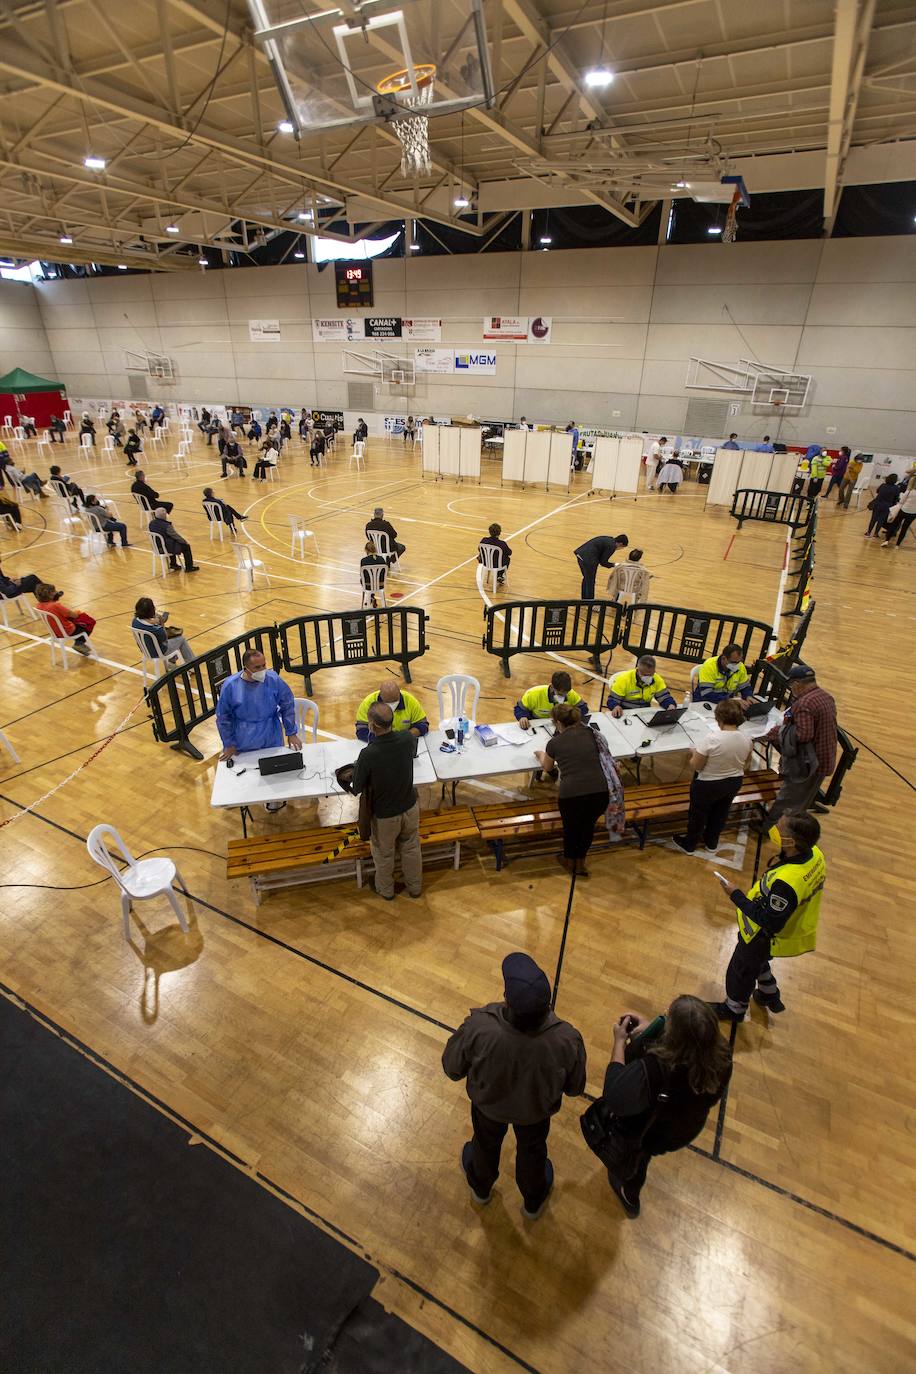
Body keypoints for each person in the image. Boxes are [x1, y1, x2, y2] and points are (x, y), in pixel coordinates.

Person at [442, 952, 586, 1219]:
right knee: (532, 1152)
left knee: (484, 1146)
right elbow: (576, 1087)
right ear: (548, 1004)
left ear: (507, 999)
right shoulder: (568, 1039)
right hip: (535, 1115)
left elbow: (451, 1068)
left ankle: (481, 1189)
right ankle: (533, 1200)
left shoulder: (479, 1027)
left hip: (488, 1111)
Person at [594, 997, 732, 1218]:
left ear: (673, 1037)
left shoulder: (656, 1070)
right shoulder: (723, 1056)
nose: (665, 1018)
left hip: (652, 1133)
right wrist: (650, 1026)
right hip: (685, 1127)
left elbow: (614, 1095)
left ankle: (630, 1195)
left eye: (669, 1018)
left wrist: (619, 1042)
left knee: (636, 1163)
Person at [709, 811, 826, 1022]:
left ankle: (734, 1008)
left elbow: (769, 921)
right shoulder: (815, 854)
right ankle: (768, 992)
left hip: (761, 935)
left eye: (779, 827)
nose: (774, 828)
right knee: (759, 962)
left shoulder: (786, 883)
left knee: (740, 971)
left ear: (790, 842)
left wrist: (736, 895)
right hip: (791, 926)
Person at [349, 700, 422, 900]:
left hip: (385, 816)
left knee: (384, 854)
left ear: (372, 725)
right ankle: (415, 888)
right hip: (410, 806)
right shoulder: (407, 738)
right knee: (411, 847)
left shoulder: (368, 753)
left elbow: (356, 786)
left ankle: (386, 889)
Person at [216, 649, 300, 810]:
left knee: (273, 767)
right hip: (243, 734)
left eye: (264, 665)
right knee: (246, 770)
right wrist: (229, 743)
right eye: (257, 667)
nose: (262, 670)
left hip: (270, 731)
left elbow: (287, 704)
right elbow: (223, 717)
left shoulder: (273, 679)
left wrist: (291, 732)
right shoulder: (231, 686)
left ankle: (273, 797)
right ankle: (242, 797)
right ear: (246, 668)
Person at [534, 703, 611, 876]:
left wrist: (539, 754)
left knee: (571, 829)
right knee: (587, 828)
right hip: (600, 792)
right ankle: (581, 863)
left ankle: (569, 861)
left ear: (558, 723)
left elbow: (547, 767)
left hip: (572, 795)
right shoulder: (593, 734)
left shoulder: (554, 742)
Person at [673, 699, 752, 854]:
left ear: (719, 719)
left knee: (698, 815)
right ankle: (711, 842)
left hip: (708, 784)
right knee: (721, 813)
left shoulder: (711, 739)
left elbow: (696, 766)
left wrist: (694, 753)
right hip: (734, 781)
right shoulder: (747, 738)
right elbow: (746, 763)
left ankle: (690, 845)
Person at [764, 663, 836, 823]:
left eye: (791, 685)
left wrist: (777, 731)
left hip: (809, 763)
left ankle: (772, 827)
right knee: (803, 797)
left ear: (797, 683)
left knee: (789, 799)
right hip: (824, 758)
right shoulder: (825, 696)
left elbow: (803, 734)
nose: (791, 689)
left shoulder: (804, 703)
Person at [355, 679, 428, 742]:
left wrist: (403, 737)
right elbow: (361, 730)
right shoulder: (368, 703)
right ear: (381, 697)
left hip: (403, 743)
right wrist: (384, 741)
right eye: (388, 702)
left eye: (395, 702)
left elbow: (423, 724)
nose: (392, 706)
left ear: (399, 695)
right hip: (379, 745)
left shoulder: (410, 701)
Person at [34, 582, 96, 655]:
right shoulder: (55, 605)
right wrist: (78, 613)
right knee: (89, 621)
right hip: (67, 631)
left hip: (54, 632)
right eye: (54, 591)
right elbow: (73, 615)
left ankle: (79, 644)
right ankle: (79, 643)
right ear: (50, 595)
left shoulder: (38, 606)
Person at [131, 596, 195, 664]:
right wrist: (161, 622)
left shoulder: (135, 621)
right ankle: (192, 665)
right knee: (181, 639)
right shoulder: (156, 629)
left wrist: (153, 621)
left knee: (173, 640)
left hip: (145, 650)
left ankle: (171, 664)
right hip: (159, 652)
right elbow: (165, 638)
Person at [514, 671, 588, 728]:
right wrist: (522, 717)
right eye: (560, 694)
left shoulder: (570, 693)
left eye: (566, 693)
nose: (564, 696)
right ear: (552, 687)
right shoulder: (533, 694)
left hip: (562, 725)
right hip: (538, 725)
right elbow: (519, 708)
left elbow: (583, 708)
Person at [607, 655, 676, 716]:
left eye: (651, 674)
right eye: (645, 675)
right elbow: (612, 700)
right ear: (637, 670)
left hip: (645, 713)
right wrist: (615, 706)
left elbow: (664, 697)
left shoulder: (657, 679)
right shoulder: (623, 679)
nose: (648, 677)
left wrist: (670, 705)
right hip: (625, 713)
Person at [573, 532, 629, 600]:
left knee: (586, 579)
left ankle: (585, 599)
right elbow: (603, 562)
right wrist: (614, 565)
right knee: (590, 581)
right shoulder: (612, 546)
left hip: (581, 554)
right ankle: (590, 603)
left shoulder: (609, 539)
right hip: (589, 559)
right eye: (622, 547)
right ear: (621, 544)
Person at [149, 508, 199, 572]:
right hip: (164, 548)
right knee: (186, 547)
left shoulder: (151, 523)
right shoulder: (166, 526)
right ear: (164, 516)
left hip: (156, 547)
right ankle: (189, 567)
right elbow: (176, 536)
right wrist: (184, 542)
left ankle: (173, 564)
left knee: (171, 542)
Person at [882, 480, 916, 547]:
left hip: (904, 510)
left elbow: (901, 501)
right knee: (904, 528)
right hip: (913, 513)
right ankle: (897, 545)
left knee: (894, 525)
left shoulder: (909, 492)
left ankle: (887, 540)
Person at [359, 539, 387, 607]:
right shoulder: (382, 559)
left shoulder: (363, 561)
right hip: (380, 585)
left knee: (361, 580)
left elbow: (362, 575)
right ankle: (372, 597)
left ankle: (371, 596)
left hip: (368, 585)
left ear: (366, 550)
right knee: (373, 580)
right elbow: (383, 574)